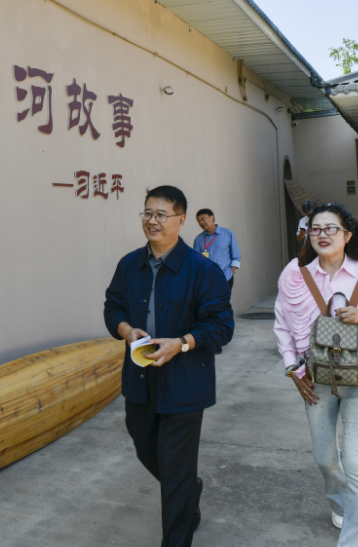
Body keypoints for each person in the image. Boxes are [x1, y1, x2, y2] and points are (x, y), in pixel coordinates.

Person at [104, 185, 234, 547]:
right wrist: (125, 329)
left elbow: (221, 326)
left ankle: (178, 524)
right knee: (145, 446)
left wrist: (183, 342)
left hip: (184, 384)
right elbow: (113, 305)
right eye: (147, 213)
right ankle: (189, 488)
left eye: (161, 214)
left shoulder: (203, 271)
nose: (152, 221)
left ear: (180, 220)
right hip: (140, 378)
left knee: (175, 471)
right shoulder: (130, 265)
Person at [274, 202, 358, 546]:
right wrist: (292, 368)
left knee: (356, 462)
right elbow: (282, 326)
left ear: (347, 235)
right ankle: (343, 505)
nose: (322, 235)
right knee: (325, 458)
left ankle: (356, 539)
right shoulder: (295, 276)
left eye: (331, 228)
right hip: (315, 378)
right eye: (315, 229)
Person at [193, 208, 241, 290]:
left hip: (225, 278)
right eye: (199, 221)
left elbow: (236, 257)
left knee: (224, 299)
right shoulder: (198, 239)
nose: (201, 222)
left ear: (212, 218)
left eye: (203, 219)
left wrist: (230, 273)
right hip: (207, 281)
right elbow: (196, 262)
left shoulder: (228, 234)